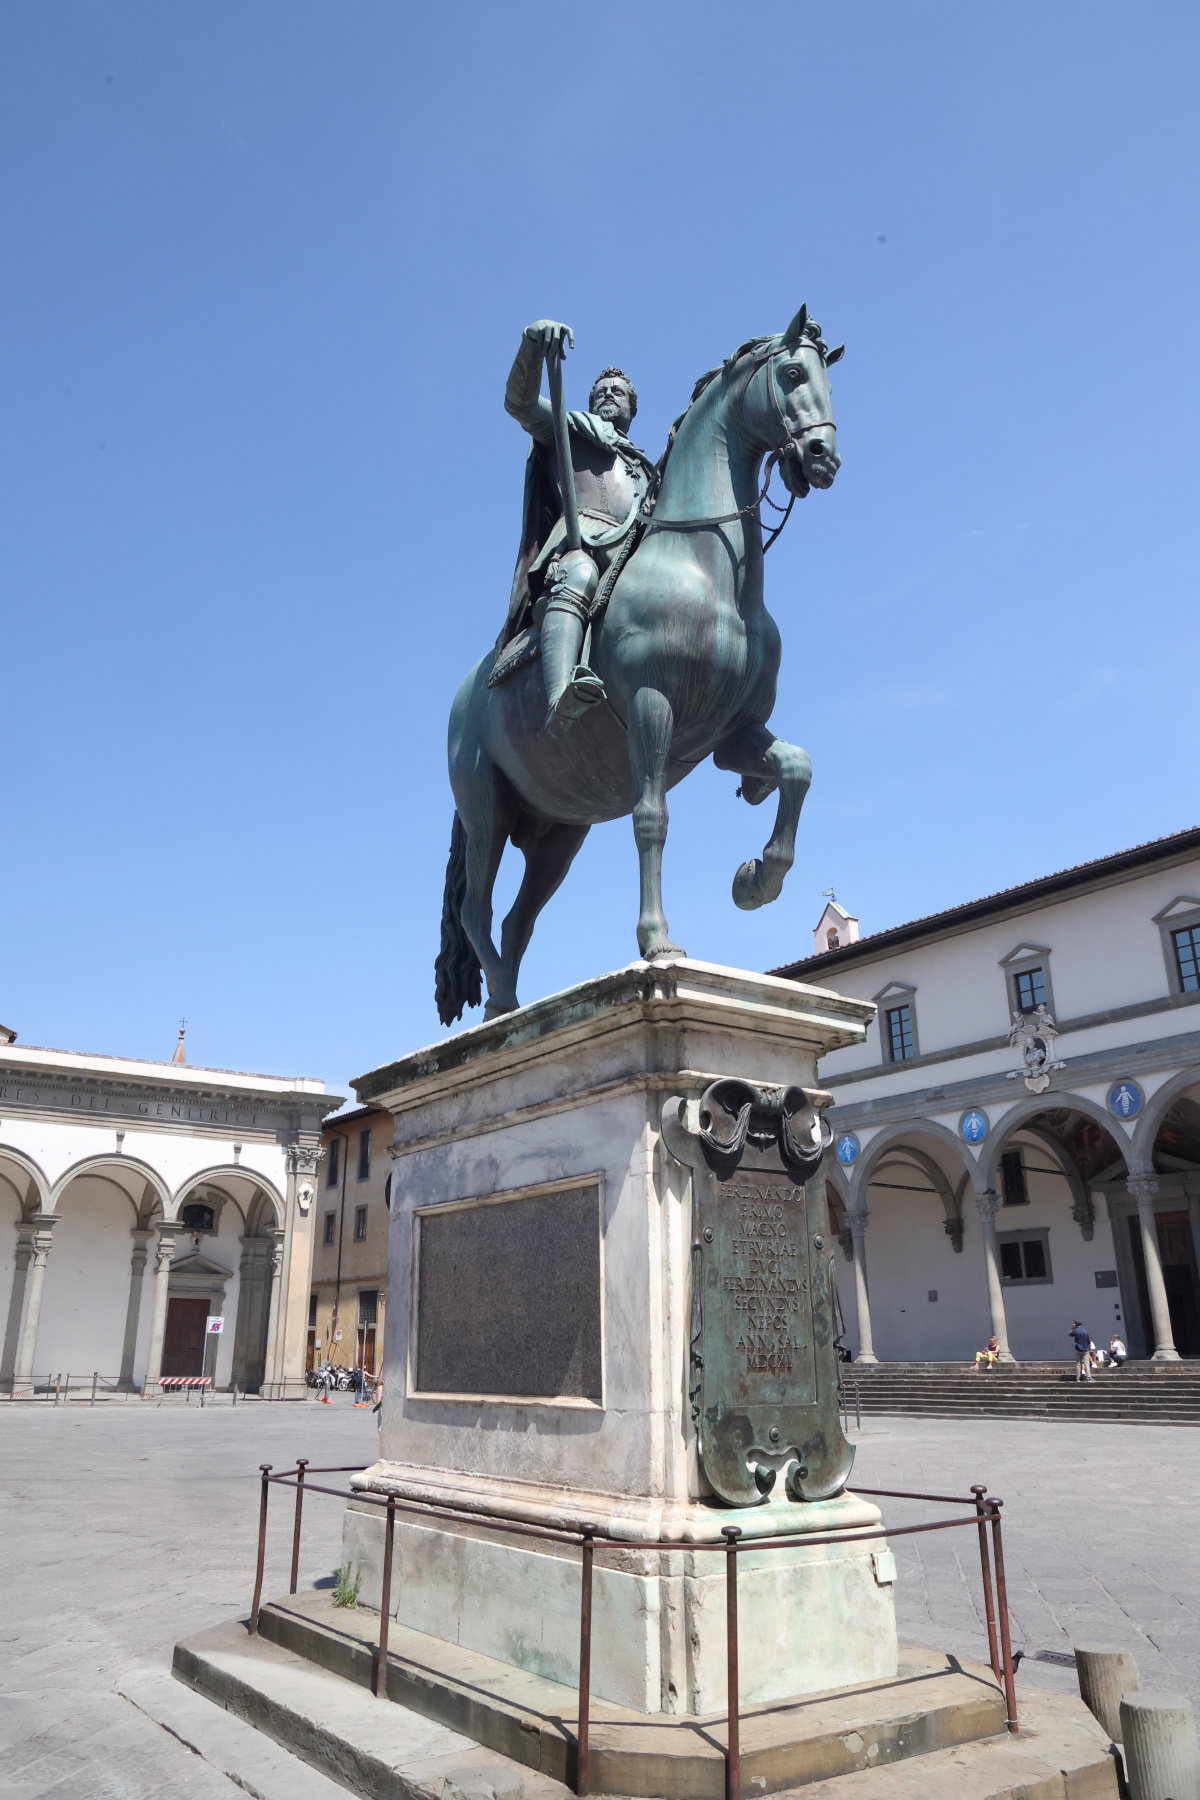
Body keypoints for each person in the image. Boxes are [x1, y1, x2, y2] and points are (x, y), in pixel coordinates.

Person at [501, 320, 656, 737]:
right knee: (579, 573)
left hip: (632, 552)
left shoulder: (646, 468)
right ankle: (559, 701)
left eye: (618, 392)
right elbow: (520, 403)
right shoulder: (567, 429)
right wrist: (532, 346)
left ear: (632, 409)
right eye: (601, 391)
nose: (608, 395)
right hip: (583, 543)